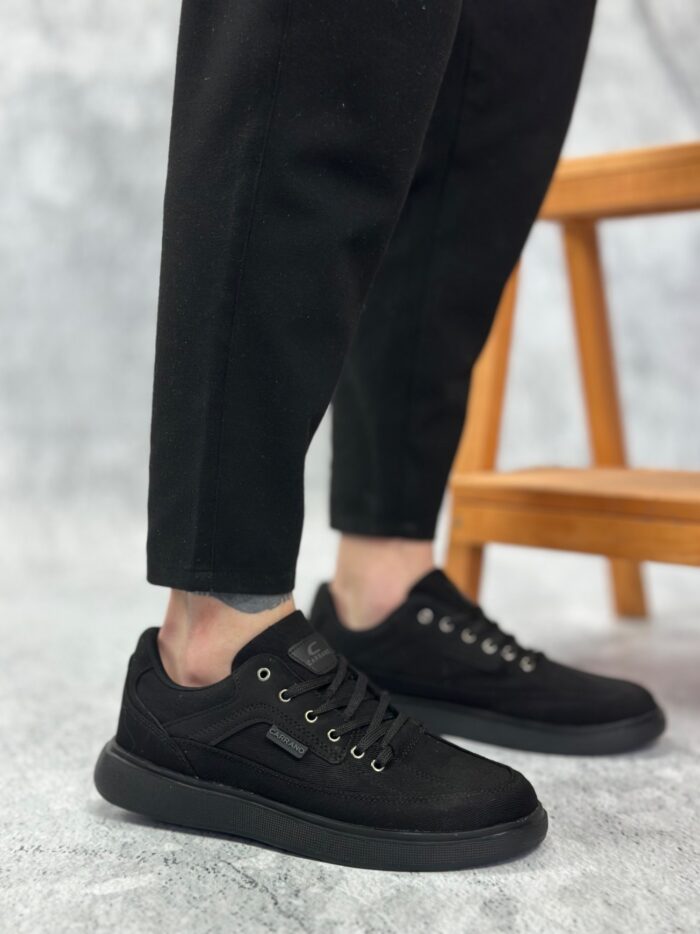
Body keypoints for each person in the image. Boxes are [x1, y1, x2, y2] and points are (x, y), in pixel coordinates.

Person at [95, 0, 664, 871]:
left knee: (501, 71)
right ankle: (210, 644)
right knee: (321, 38)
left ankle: (383, 591)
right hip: (211, 648)